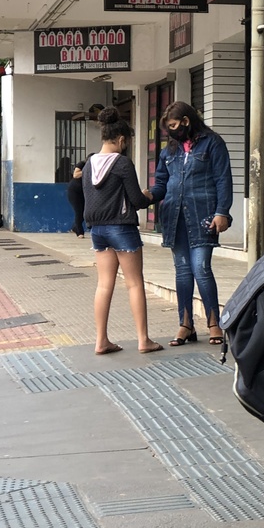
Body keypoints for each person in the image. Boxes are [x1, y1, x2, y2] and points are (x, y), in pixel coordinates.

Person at [150, 101, 233, 346]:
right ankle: (186, 325)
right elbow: (161, 184)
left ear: (186, 121)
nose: (171, 132)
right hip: (174, 217)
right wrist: (147, 196)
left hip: (204, 216)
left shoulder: (213, 142)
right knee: (183, 271)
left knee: (201, 268)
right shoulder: (170, 150)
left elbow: (223, 180)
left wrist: (222, 212)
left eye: (174, 126)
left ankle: (214, 323)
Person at [81, 107, 162, 355]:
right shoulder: (122, 163)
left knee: (104, 285)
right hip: (122, 229)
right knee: (134, 284)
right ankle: (143, 340)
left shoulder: (88, 164)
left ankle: (101, 341)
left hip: (97, 231)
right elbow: (136, 200)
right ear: (122, 140)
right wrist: (149, 196)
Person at [67, 164, 86, 237]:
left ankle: (75, 227)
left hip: (84, 191)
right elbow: (75, 175)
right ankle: (79, 232)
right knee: (78, 211)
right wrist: (87, 170)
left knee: (84, 212)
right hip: (74, 191)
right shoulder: (82, 164)